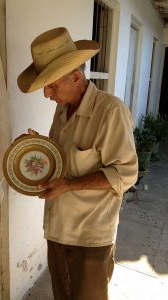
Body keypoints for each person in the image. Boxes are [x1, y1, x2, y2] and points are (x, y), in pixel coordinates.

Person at [17, 27, 138, 300]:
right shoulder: (63, 107)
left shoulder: (110, 111)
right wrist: (40, 148)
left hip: (89, 238)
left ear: (75, 76)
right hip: (57, 230)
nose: (46, 94)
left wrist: (69, 186)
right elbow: (64, 158)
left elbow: (125, 174)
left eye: (51, 85)